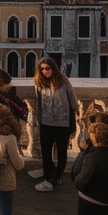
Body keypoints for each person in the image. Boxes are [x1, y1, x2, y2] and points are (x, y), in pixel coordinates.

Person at [33, 56, 78, 192]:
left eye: (47, 69)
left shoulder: (63, 81)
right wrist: (38, 119)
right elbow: (38, 103)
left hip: (62, 122)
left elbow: (73, 101)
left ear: (53, 68)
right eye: (42, 69)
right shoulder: (39, 83)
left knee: (61, 152)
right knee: (46, 152)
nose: (45, 71)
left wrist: (73, 120)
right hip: (46, 122)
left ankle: (57, 176)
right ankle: (48, 177)